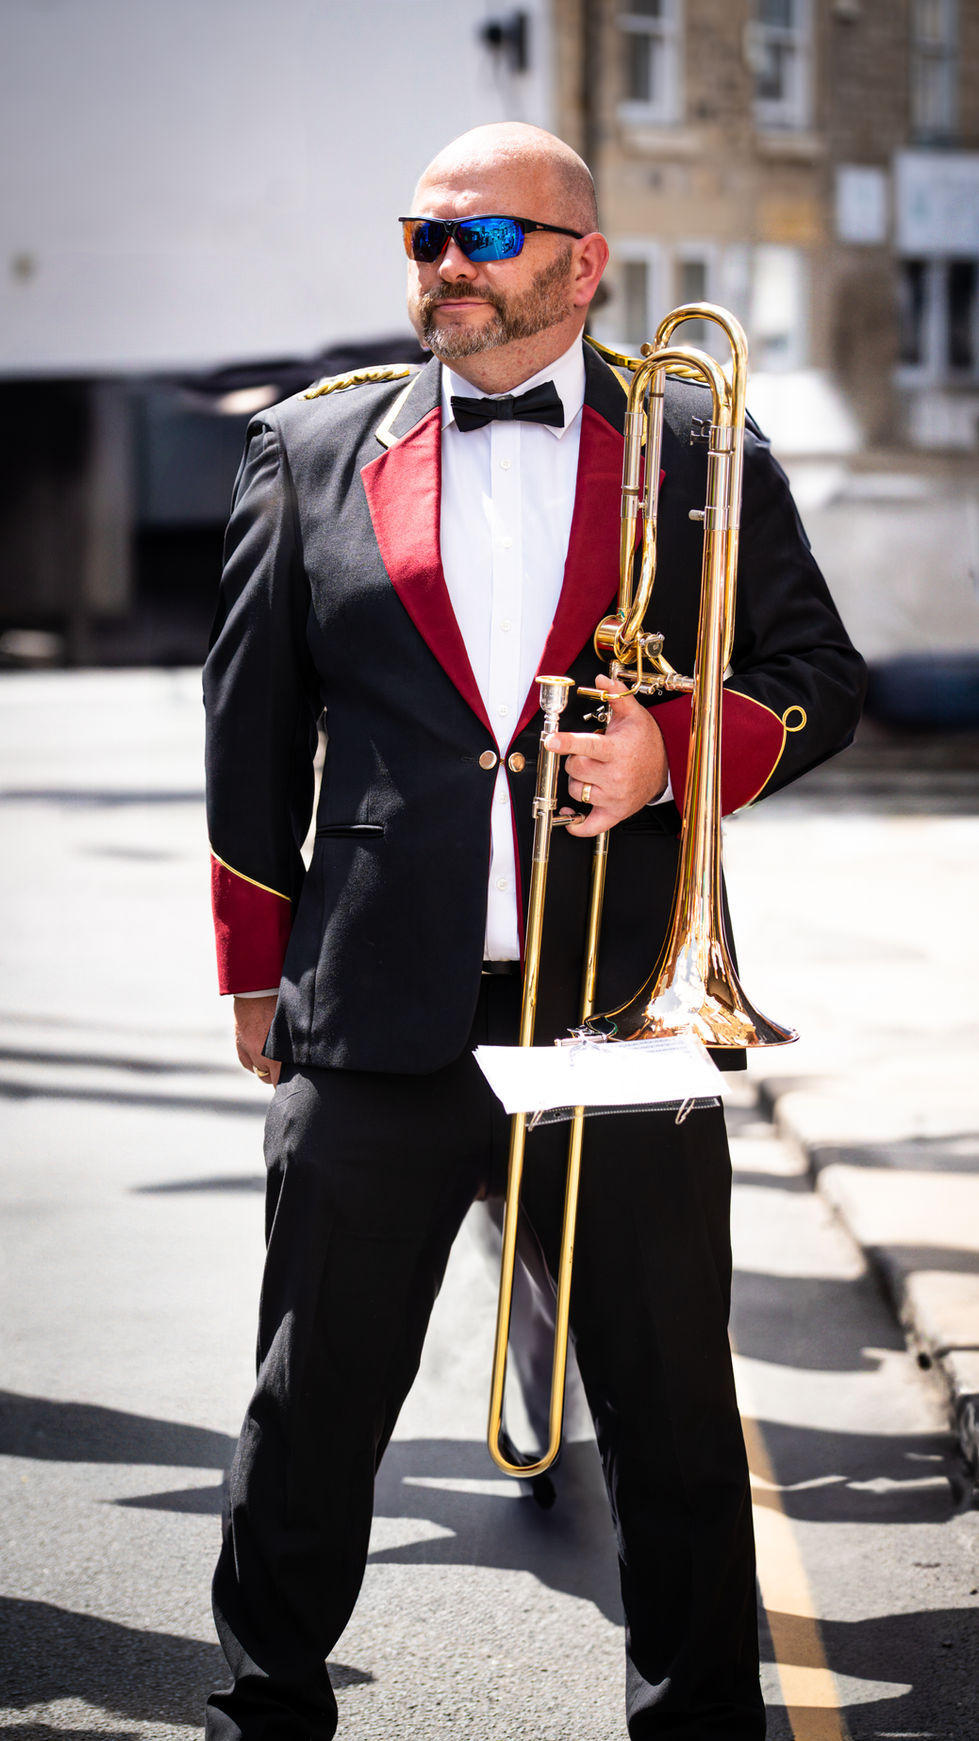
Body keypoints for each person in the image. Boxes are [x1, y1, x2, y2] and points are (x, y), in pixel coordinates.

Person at [203, 122, 865, 1740]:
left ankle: (699, 1717)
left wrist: (669, 756)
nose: (443, 265)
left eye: (484, 238)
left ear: (587, 263)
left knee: (676, 1423)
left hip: (617, 1006)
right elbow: (248, 729)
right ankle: (266, 1708)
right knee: (311, 1411)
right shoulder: (311, 450)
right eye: (422, 235)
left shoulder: (699, 440)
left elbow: (817, 679)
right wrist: (252, 966)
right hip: (371, 1011)